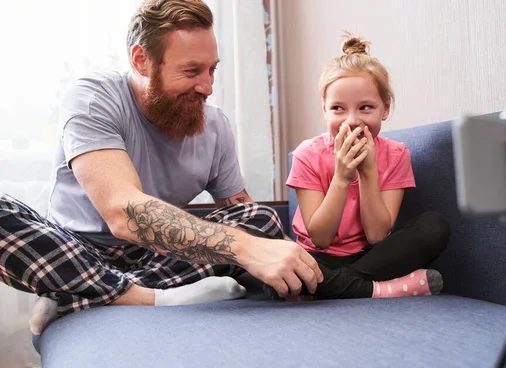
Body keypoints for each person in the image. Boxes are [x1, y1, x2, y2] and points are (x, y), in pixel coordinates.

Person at [0, 0, 323, 335]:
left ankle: (79, 295)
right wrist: (247, 249)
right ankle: (146, 297)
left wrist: (288, 258)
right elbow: (123, 213)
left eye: (212, 70)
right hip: (78, 252)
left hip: (158, 258)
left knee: (261, 218)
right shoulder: (93, 98)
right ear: (142, 61)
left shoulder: (215, 126)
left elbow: (244, 213)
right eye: (191, 71)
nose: (208, 87)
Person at [283, 34, 450, 301]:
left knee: (434, 227)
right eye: (338, 108)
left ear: (385, 108)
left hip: (371, 259)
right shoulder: (308, 154)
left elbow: (376, 236)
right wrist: (341, 176)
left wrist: (368, 172)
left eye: (365, 108)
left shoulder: (396, 155)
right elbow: (321, 238)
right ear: (324, 109)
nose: (351, 120)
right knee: (276, 273)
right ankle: (379, 290)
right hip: (317, 257)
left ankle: (333, 287)